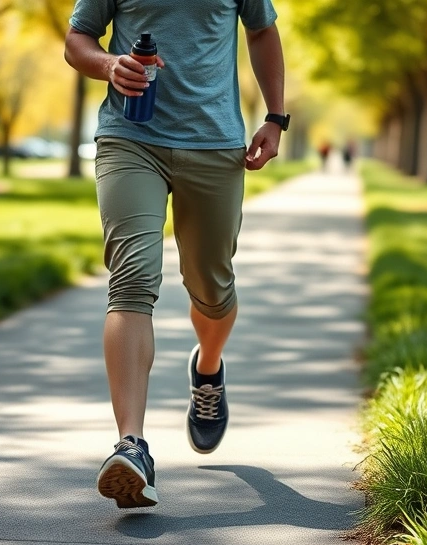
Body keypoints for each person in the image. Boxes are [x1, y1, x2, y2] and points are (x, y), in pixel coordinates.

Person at [64, 0, 288, 508]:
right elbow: (77, 40)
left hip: (215, 143)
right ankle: (131, 446)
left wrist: (275, 116)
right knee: (132, 279)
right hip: (130, 137)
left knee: (211, 286)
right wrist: (107, 64)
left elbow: (262, 31)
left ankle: (208, 366)